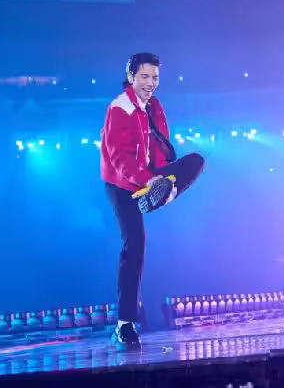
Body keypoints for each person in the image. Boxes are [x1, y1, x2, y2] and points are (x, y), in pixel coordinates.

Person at [101, 53, 205, 350]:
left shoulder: (155, 106)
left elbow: (160, 147)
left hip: (151, 179)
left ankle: (160, 197)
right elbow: (119, 158)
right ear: (131, 77)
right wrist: (147, 181)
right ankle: (124, 325)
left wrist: (163, 177)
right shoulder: (119, 108)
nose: (150, 83)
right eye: (144, 76)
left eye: (155, 77)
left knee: (195, 161)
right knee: (134, 245)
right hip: (122, 183)